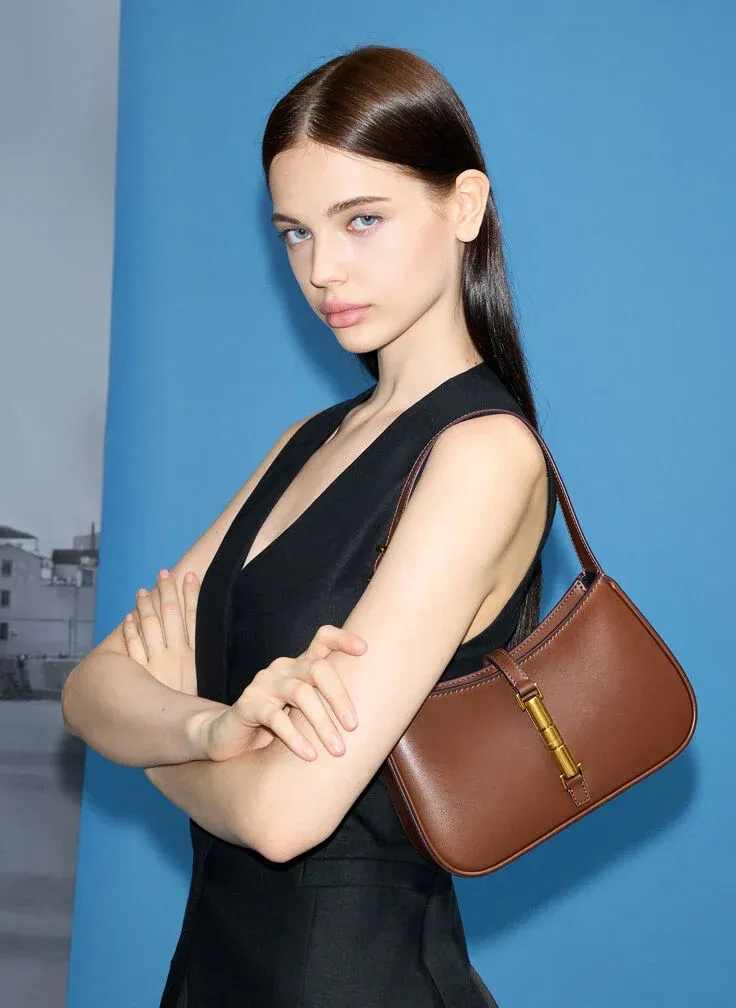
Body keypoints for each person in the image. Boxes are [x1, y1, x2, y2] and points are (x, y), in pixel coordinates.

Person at [62, 44, 557, 1008]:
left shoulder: (485, 455)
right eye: (294, 233)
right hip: (211, 969)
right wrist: (212, 727)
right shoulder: (308, 440)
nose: (322, 269)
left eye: (361, 219)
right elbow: (89, 692)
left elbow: (285, 816)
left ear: (464, 206)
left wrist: (158, 748)